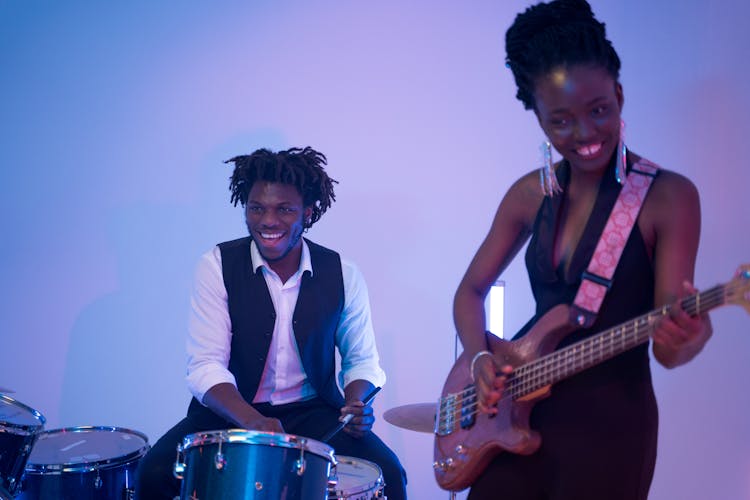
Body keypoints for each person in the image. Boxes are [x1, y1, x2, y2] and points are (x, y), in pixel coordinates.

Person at [452, 1, 712, 499]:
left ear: (619, 93)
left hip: (610, 431)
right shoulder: (529, 195)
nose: (586, 135)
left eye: (599, 111)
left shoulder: (670, 197)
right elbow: (469, 291)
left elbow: (669, 350)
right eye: (561, 121)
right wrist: (479, 359)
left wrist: (686, 335)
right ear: (538, 118)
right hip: (509, 420)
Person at [135, 146, 407, 499]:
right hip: (229, 413)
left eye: (284, 209)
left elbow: (362, 360)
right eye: (257, 208)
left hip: (314, 413)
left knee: (390, 473)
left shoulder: (343, 273)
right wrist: (253, 422)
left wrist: (356, 404)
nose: (267, 221)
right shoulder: (216, 265)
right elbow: (205, 366)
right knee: (154, 473)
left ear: (307, 213)